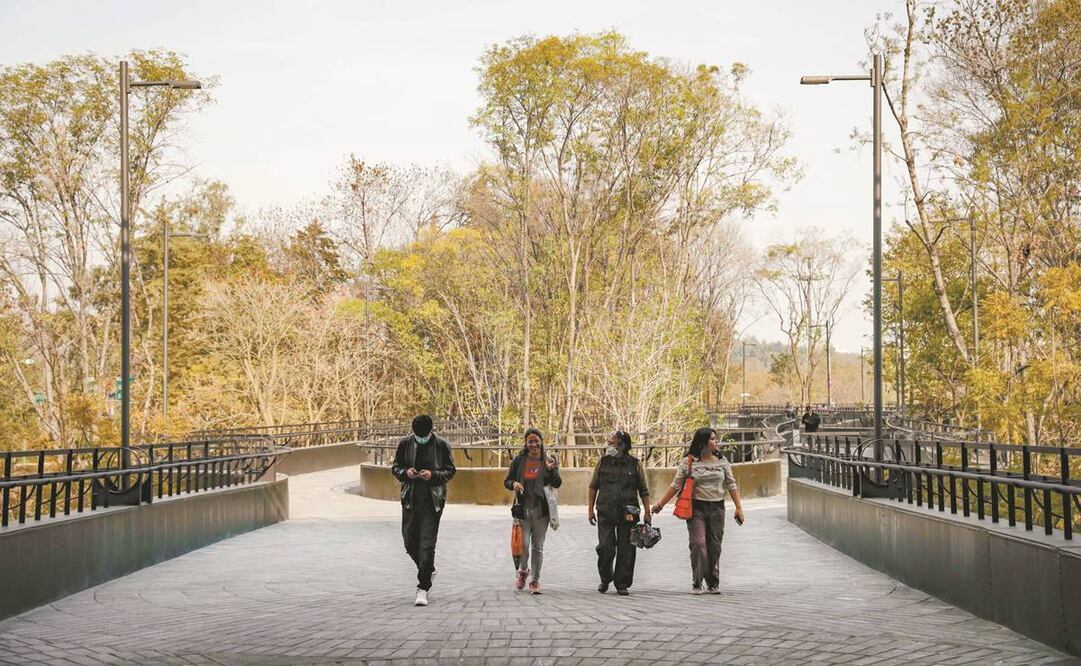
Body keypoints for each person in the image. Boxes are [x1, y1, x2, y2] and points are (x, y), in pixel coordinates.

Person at [652, 427, 745, 595]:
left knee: (714, 546)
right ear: (702, 442)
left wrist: (739, 507)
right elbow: (675, 486)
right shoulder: (689, 462)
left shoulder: (722, 461)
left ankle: (713, 582)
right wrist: (660, 504)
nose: (716, 442)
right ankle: (697, 581)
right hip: (696, 509)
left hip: (717, 508)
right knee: (698, 544)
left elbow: (731, 484)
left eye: (716, 439)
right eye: (712, 439)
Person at [391, 415, 456, 607]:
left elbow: (450, 470)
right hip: (410, 500)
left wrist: (433, 475)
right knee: (410, 543)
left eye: (424, 436)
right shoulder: (405, 444)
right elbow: (395, 467)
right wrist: (406, 473)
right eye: (417, 436)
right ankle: (428, 568)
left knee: (427, 545)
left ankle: (423, 587)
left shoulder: (441, 445)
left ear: (430, 432)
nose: (420, 439)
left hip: (432, 502)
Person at [588, 431, 651, 596]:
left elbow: (643, 490)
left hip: (628, 512)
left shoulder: (635, 464)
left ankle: (622, 582)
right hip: (605, 510)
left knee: (627, 548)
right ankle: (605, 577)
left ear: (622, 445)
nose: (609, 445)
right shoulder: (602, 462)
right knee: (605, 547)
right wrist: (590, 510)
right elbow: (593, 486)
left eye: (612, 442)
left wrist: (647, 512)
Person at [504, 428, 562, 594]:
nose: (534, 444)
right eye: (530, 441)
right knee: (523, 545)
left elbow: (557, 483)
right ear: (526, 443)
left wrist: (551, 470)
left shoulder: (548, 460)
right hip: (523, 510)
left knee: (538, 546)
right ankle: (523, 571)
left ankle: (535, 580)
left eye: (536, 441)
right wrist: (514, 484)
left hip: (541, 511)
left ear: (541, 441)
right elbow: (507, 481)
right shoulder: (519, 461)